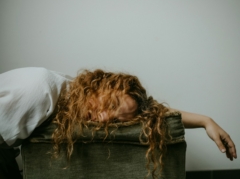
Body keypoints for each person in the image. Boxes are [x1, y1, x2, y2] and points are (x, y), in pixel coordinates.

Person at [0, 67, 237, 178]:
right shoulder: (39, 90)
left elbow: (153, 111)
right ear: (101, 86)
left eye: (114, 120)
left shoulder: (71, 93)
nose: (103, 119)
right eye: (110, 105)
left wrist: (206, 121)